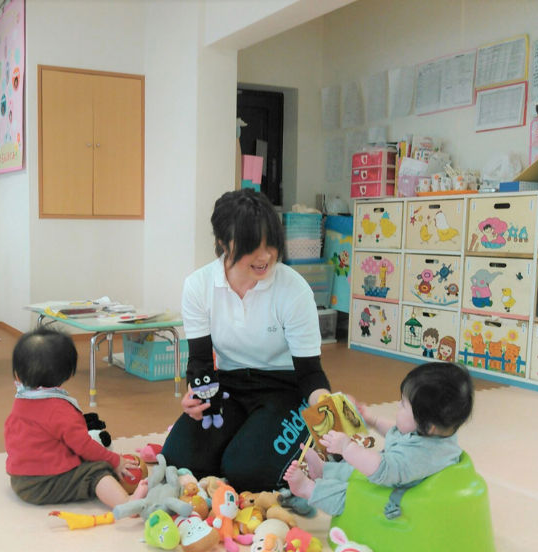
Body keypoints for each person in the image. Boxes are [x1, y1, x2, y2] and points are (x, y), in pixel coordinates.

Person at [160, 189, 332, 492]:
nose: (264, 257)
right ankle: (246, 439)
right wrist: (196, 396)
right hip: (229, 386)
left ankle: (292, 438)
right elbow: (200, 361)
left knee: (247, 472)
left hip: (285, 389)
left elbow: (310, 373)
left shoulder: (294, 290)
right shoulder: (199, 286)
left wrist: (327, 413)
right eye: (252, 247)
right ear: (222, 243)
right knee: (178, 458)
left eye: (271, 244)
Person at [284, 362, 473, 516]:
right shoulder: (434, 434)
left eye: (403, 405)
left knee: (347, 495)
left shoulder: (419, 457)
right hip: (395, 481)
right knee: (357, 467)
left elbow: (381, 469)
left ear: (428, 425)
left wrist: (346, 447)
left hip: (395, 498)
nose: (398, 405)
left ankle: (308, 489)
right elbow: (397, 432)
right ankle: (324, 470)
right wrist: (373, 420)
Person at [5, 328, 148, 508]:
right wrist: (115, 460)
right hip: (43, 484)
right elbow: (84, 446)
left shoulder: (21, 399)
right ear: (66, 373)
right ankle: (125, 504)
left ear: (18, 373)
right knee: (96, 471)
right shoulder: (59, 408)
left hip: (19, 480)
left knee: (88, 458)